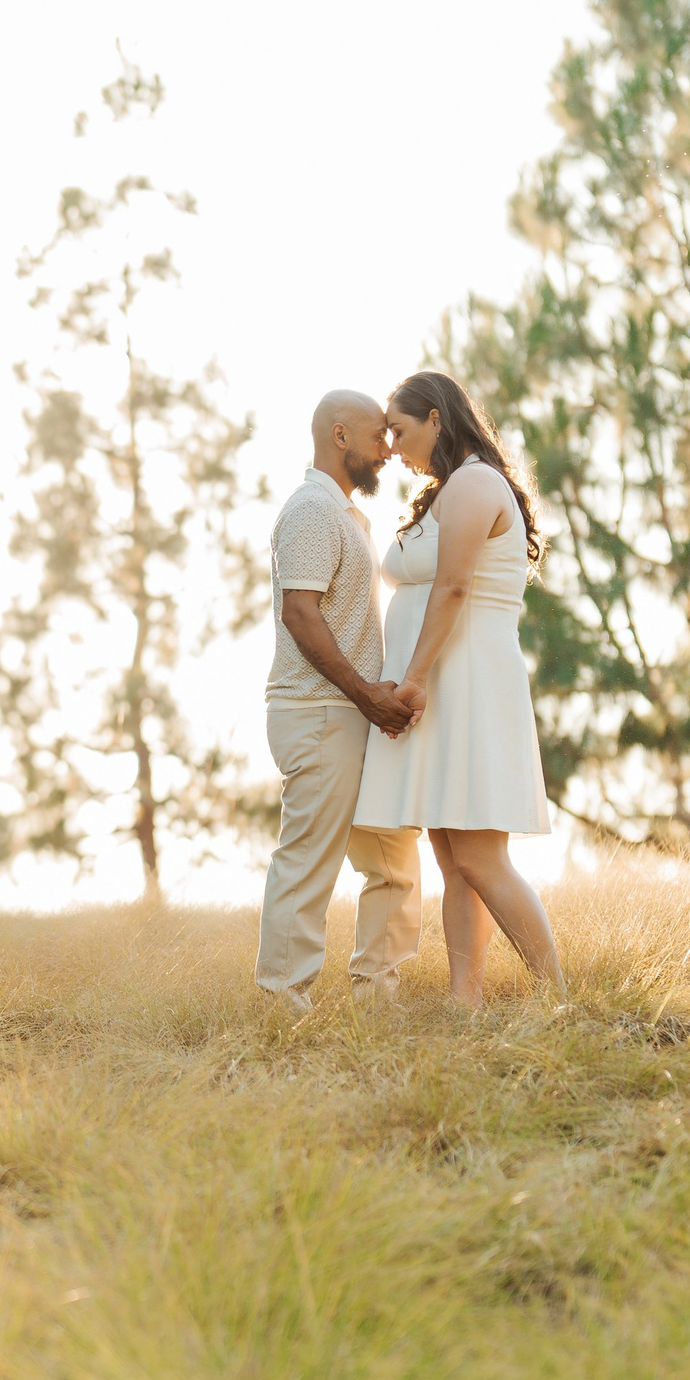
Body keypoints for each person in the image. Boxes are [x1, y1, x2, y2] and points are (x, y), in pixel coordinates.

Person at [352, 371, 564, 1006]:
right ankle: (463, 1002)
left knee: (480, 858)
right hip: (448, 683)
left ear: (437, 419)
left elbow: (453, 588)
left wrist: (413, 679)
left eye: (399, 430)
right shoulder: (451, 488)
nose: (392, 446)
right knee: (454, 859)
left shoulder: (474, 483)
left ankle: (558, 997)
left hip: (468, 684)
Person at [257, 390, 425, 1015]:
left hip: (352, 715)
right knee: (308, 862)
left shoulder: (347, 515)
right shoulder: (311, 511)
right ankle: (282, 1006)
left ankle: (377, 996)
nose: (387, 449)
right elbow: (299, 614)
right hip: (320, 712)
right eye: (378, 436)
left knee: (392, 858)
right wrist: (364, 695)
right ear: (339, 435)